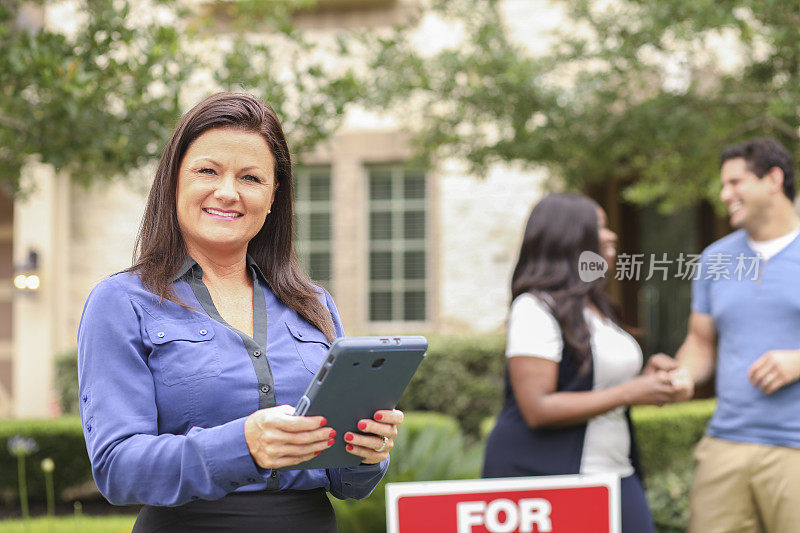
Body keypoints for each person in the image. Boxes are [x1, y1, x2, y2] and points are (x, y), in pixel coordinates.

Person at [77, 92, 403, 532]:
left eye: (250, 178)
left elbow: (347, 483)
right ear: (174, 181)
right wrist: (242, 445)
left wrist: (367, 452)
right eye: (207, 171)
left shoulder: (313, 304)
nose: (227, 192)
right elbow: (118, 469)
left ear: (273, 196)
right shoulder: (121, 302)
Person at [482, 193, 679, 533]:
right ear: (569, 238)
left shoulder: (597, 307)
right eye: (600, 226)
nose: (611, 235)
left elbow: (598, 383)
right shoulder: (534, 308)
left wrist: (649, 379)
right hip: (545, 481)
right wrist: (631, 391)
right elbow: (537, 408)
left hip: (616, 472)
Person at [654, 137, 800, 533]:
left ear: (773, 179)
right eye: (724, 185)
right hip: (726, 442)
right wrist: (682, 374)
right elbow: (700, 342)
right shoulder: (715, 260)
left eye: (736, 183)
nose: (725, 195)